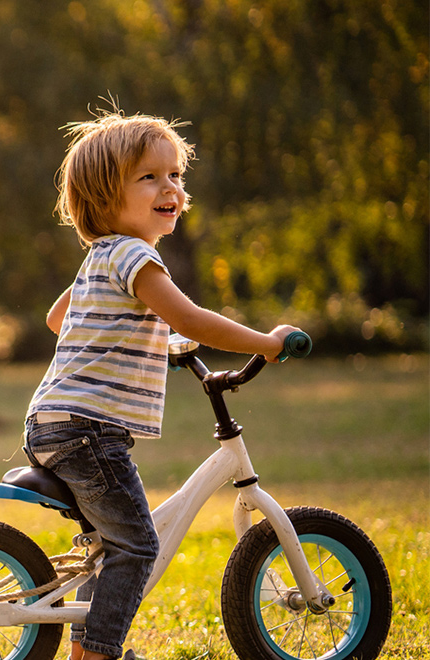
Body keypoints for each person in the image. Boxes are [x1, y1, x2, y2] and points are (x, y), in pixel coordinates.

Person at [25, 111, 300, 660]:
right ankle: (98, 654)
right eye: (149, 177)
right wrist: (267, 343)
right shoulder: (134, 255)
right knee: (137, 546)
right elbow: (192, 319)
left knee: (108, 546)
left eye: (176, 175)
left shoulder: (97, 259)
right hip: (89, 430)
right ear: (104, 198)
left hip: (51, 421)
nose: (170, 187)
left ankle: (85, 646)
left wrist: (145, 341)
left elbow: (62, 319)